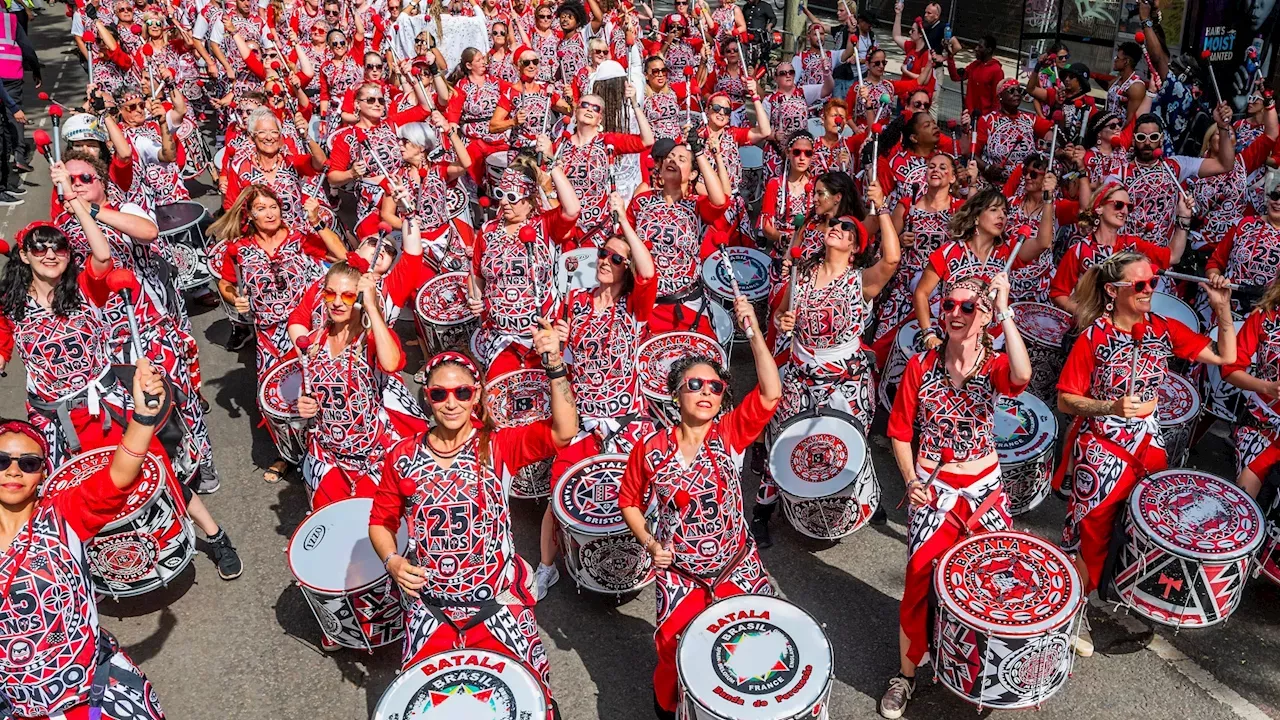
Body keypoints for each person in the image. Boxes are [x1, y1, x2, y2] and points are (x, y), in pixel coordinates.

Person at [369, 328, 577, 713]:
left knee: (532, 700)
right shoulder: (401, 455)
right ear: (427, 398)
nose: (451, 403)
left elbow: (564, 433)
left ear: (476, 395)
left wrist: (555, 365)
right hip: (431, 609)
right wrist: (392, 561)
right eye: (439, 394)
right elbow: (380, 522)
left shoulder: (499, 446)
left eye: (462, 392)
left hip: (499, 606)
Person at [1056, 251, 1236, 655]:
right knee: (1092, 537)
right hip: (1102, 449)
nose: (1149, 290)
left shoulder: (1163, 329)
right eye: (1139, 285)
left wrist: (1222, 310)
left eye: (1152, 282)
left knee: (1147, 526)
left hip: (1149, 445)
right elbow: (1067, 399)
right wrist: (1109, 407)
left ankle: (1130, 593)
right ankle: (1068, 618)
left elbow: (1226, 357)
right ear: (1112, 291)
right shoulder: (1094, 337)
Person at [619, 293, 782, 720]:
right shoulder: (650, 449)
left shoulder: (729, 435)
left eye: (715, 386)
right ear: (676, 395)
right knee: (673, 658)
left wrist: (753, 331)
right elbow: (629, 502)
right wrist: (651, 543)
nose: (706, 391)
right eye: (694, 384)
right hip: (681, 574)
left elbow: (770, 392)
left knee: (755, 651)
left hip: (736, 567)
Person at [880, 272, 1030, 719]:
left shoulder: (995, 364)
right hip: (934, 486)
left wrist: (1004, 308)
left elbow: (1022, 375)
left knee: (996, 580)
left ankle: (985, 670)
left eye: (968, 307)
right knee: (918, 582)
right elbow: (900, 433)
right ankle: (906, 675)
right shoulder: (921, 365)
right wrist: (910, 480)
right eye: (948, 306)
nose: (955, 314)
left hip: (983, 487)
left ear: (984, 317)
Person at [0, 361, 170, 719]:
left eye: (28, 463)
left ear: (43, 473)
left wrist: (142, 415)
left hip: (94, 698)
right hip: (22, 708)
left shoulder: (63, 513)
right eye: (2, 461)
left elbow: (119, 476)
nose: (13, 470)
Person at [751, 183, 900, 547]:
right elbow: (786, 313)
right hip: (801, 375)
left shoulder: (860, 281)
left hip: (845, 381)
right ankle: (762, 513)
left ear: (855, 248)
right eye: (837, 226)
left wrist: (881, 208)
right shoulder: (800, 275)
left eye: (848, 230)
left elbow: (892, 259)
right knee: (783, 441)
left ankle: (866, 497)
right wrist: (786, 321)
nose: (839, 229)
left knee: (851, 440)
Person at [534, 194, 658, 597]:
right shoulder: (573, 301)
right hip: (583, 418)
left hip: (627, 419)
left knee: (646, 491)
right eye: (604, 253)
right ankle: (546, 567)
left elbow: (648, 270)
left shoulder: (634, 308)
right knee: (559, 489)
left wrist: (624, 222)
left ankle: (654, 554)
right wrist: (554, 342)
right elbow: (557, 351)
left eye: (616, 258)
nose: (606, 260)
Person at [209, 184, 334, 484]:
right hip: (267, 334)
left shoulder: (298, 237)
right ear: (249, 215)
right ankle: (289, 455)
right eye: (261, 208)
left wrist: (316, 220)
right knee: (275, 400)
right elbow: (225, 283)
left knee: (316, 388)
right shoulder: (238, 249)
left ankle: (327, 449)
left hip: (307, 328)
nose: (269, 213)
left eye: (273, 206)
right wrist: (232, 297)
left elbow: (339, 253)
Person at [467, 151, 581, 377]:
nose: (504, 202)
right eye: (501, 194)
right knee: (499, 399)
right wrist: (474, 298)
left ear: (530, 201)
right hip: (500, 338)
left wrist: (551, 166)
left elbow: (572, 209)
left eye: (512, 197)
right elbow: (477, 273)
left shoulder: (545, 226)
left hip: (542, 337)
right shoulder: (488, 231)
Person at [912, 186, 1053, 349]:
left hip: (993, 340)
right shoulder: (948, 252)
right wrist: (928, 334)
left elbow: (1043, 243)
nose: (1002, 216)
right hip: (953, 336)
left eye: (1005, 212)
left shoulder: (1009, 251)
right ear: (976, 217)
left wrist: (1048, 200)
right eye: (994, 210)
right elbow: (921, 293)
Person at [626, 132, 727, 336]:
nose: (672, 160)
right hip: (644, 305)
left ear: (691, 174)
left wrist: (698, 152)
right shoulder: (641, 201)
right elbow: (624, 242)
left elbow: (720, 200)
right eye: (670, 157)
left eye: (681, 159)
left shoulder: (696, 205)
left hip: (684, 307)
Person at [1223, 277, 1280, 498]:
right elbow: (1230, 370)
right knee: (1246, 490)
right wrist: (1266, 387)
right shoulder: (1265, 316)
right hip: (1261, 423)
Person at [1106, 41, 1146, 124]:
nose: (1115, 60)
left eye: (1117, 58)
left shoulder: (1136, 86)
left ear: (1126, 61)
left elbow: (1130, 120)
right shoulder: (1114, 82)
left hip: (1119, 133)